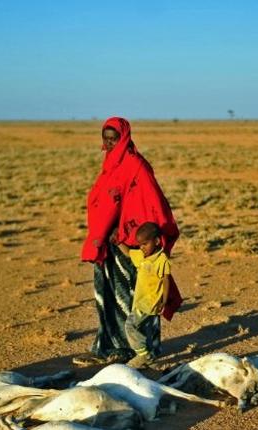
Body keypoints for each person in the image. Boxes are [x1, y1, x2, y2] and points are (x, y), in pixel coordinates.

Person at [74, 117, 181, 366]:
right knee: (108, 295)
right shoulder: (110, 163)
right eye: (106, 138)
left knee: (138, 295)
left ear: (124, 137)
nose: (109, 143)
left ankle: (139, 351)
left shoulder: (136, 165)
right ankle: (109, 346)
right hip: (111, 241)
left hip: (131, 243)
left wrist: (129, 234)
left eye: (114, 138)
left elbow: (150, 204)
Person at [115, 222, 171, 368]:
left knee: (130, 325)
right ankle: (149, 357)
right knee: (142, 329)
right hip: (139, 301)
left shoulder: (161, 259)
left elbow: (166, 280)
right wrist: (118, 241)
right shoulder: (141, 255)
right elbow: (128, 253)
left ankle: (143, 355)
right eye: (140, 244)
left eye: (145, 244)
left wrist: (164, 300)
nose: (142, 247)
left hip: (150, 302)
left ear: (157, 241)